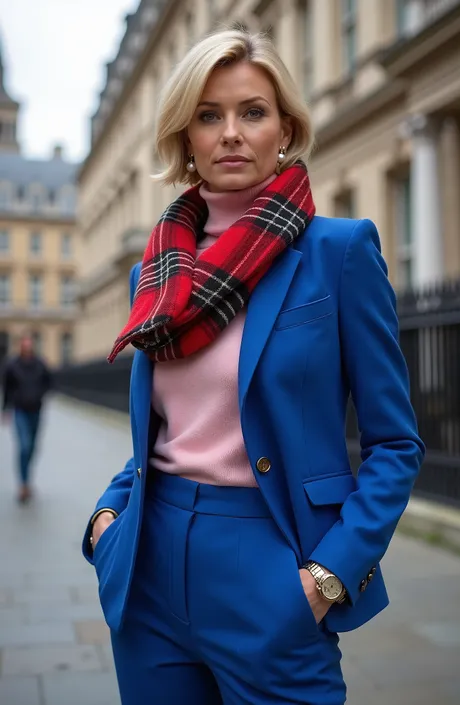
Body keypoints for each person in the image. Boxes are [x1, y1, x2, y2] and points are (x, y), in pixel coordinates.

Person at [82, 29, 425, 705]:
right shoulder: (152, 275)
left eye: (252, 112)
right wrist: (106, 517)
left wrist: (329, 574)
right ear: (185, 137)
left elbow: (396, 444)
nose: (231, 133)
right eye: (209, 115)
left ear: (286, 129)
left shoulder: (340, 253)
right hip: (148, 570)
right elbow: (161, 433)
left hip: (272, 569)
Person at [2, 335, 52, 502]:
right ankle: (23, 484)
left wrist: (40, 395)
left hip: (36, 410)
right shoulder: (12, 365)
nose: (27, 347)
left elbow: (49, 382)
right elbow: (7, 388)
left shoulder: (40, 364)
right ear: (20, 346)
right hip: (19, 410)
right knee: (24, 445)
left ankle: (26, 476)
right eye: (24, 344)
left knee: (32, 447)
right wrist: (5, 409)